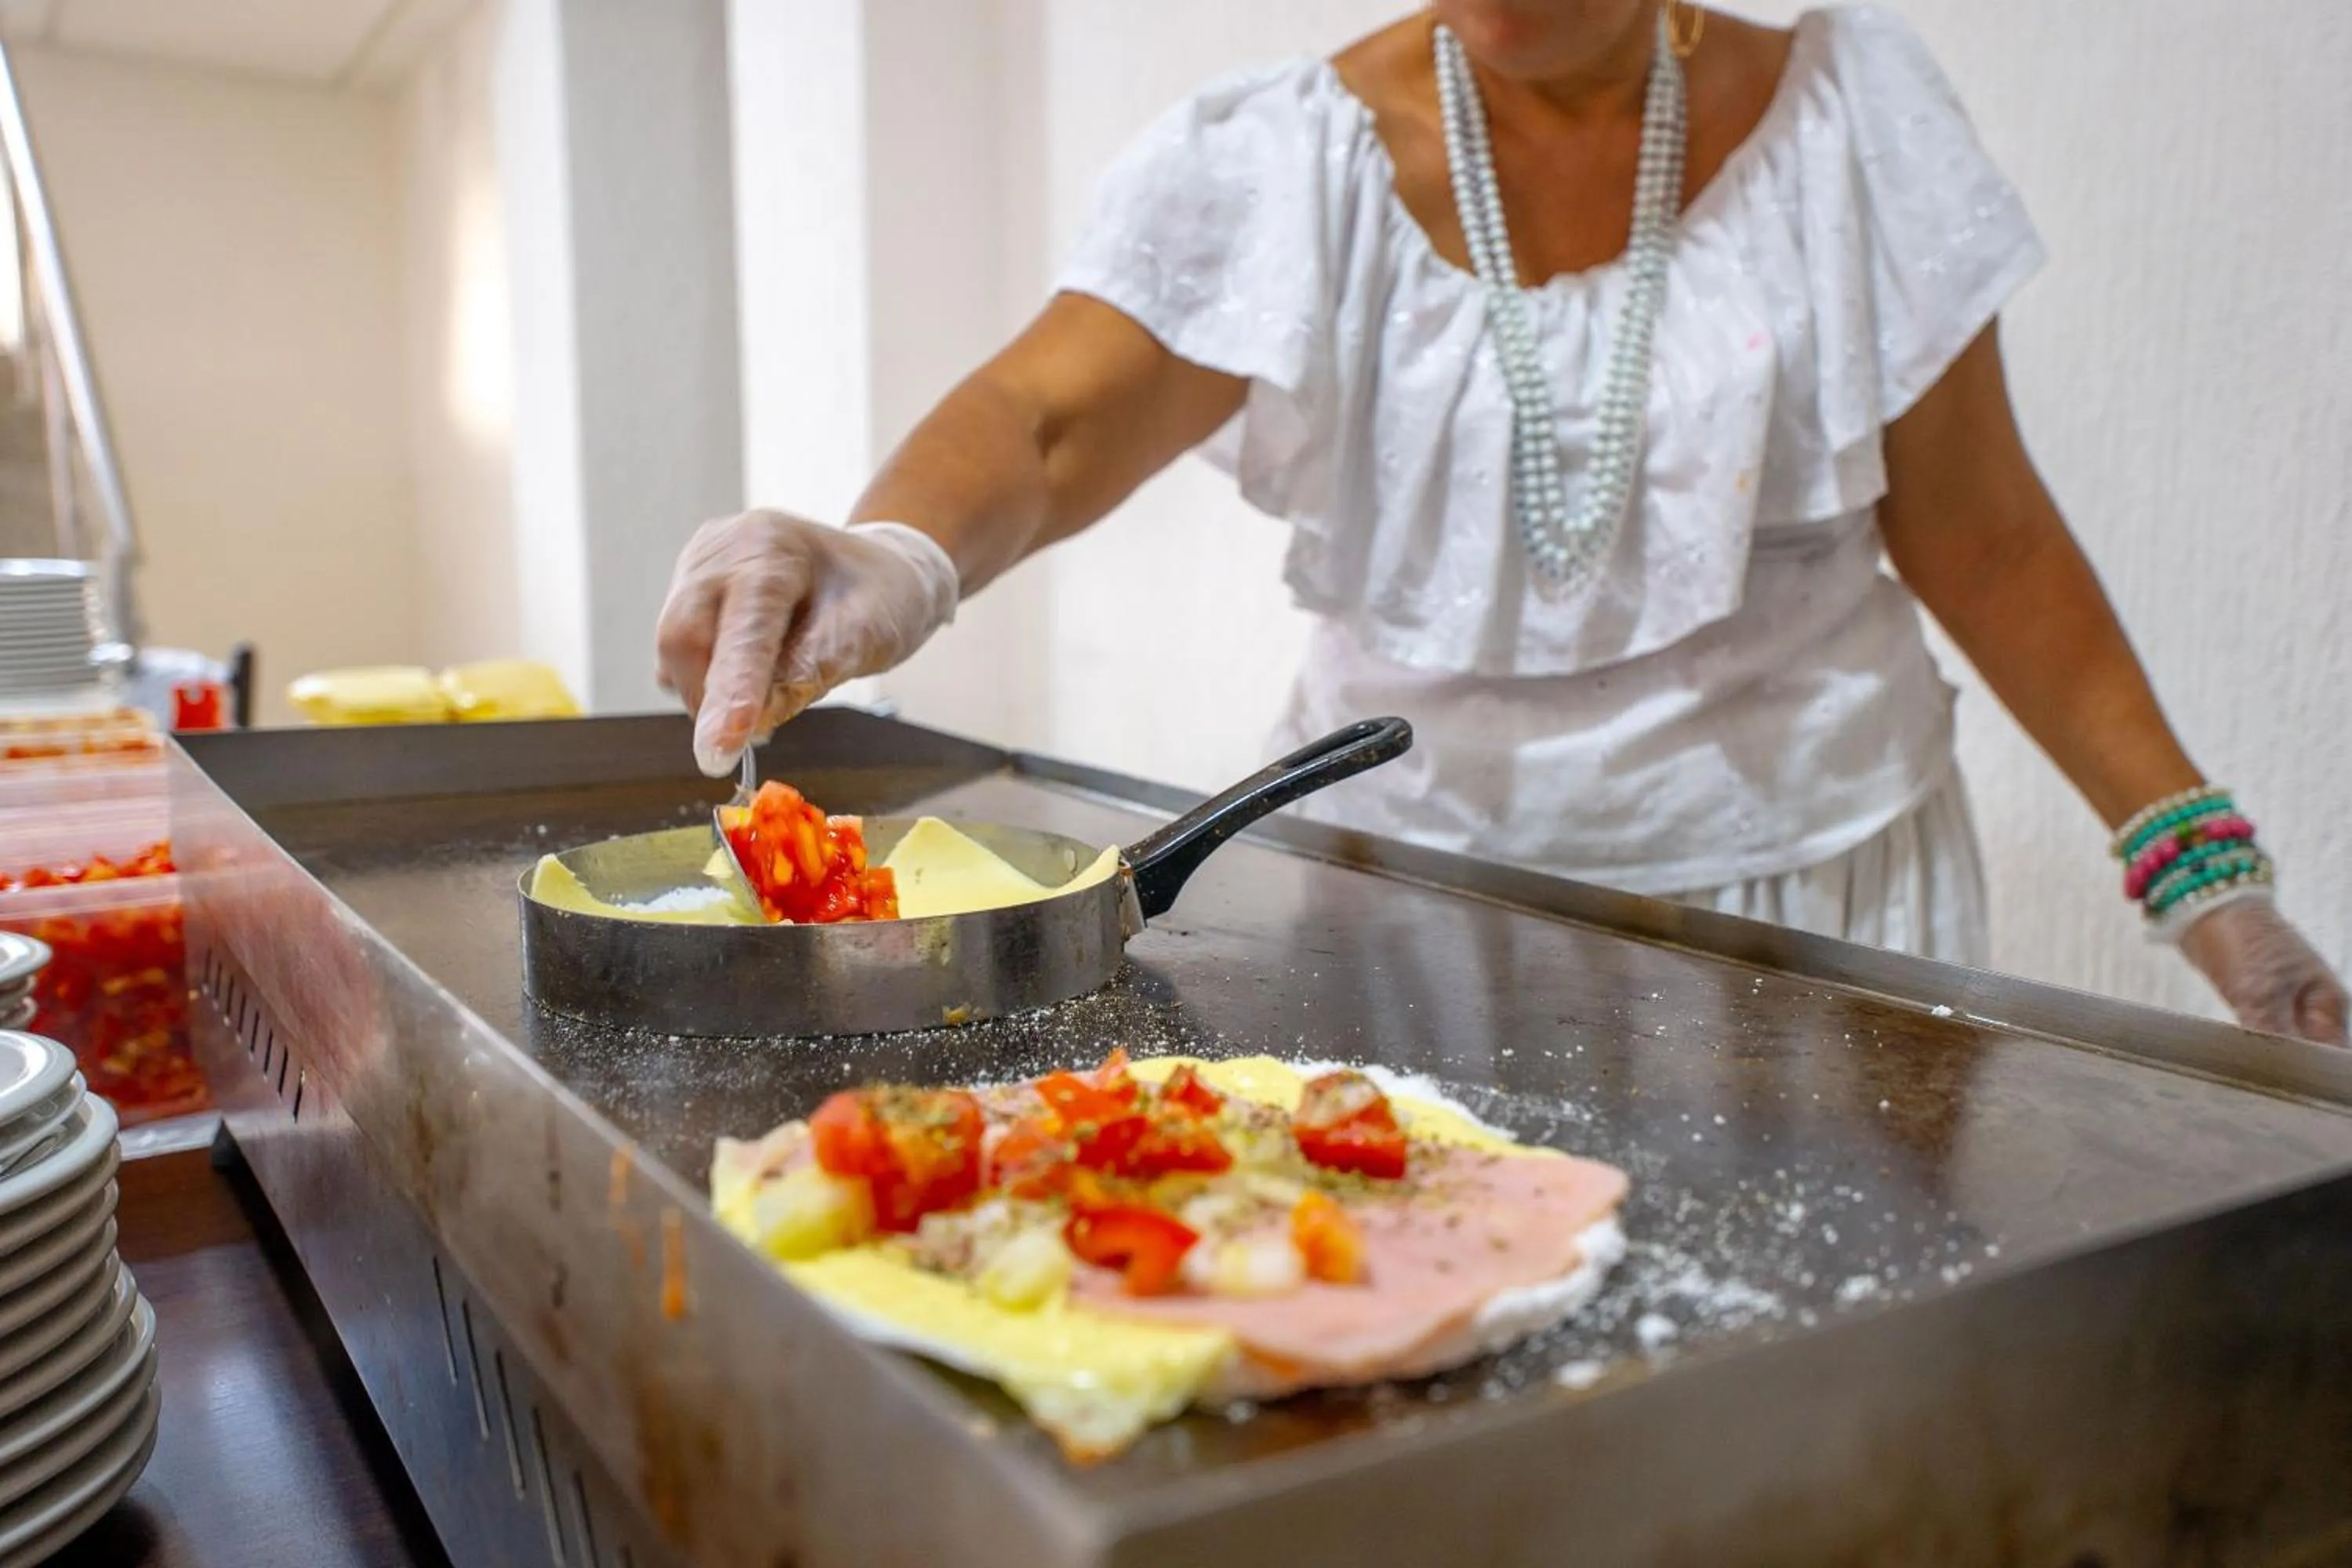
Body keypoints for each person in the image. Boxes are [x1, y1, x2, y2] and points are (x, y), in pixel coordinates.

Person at [655, 1, 2347, 1045]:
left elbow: (1988, 541)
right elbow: (1049, 416)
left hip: (1828, 917)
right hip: (1411, 915)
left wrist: (2205, 881)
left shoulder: (1852, 124)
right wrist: (893, 550)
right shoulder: (1288, 162)